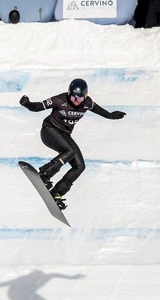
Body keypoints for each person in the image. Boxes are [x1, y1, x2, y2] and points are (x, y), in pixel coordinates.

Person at [19, 78, 126, 210]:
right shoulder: (60, 99)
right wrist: (27, 104)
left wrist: (111, 116)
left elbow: (102, 112)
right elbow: (37, 107)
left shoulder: (88, 103)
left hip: (64, 135)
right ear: (69, 94)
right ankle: (44, 174)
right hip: (49, 131)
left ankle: (56, 193)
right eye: (73, 97)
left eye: (80, 98)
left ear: (85, 96)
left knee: (80, 166)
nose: (76, 101)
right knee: (70, 151)